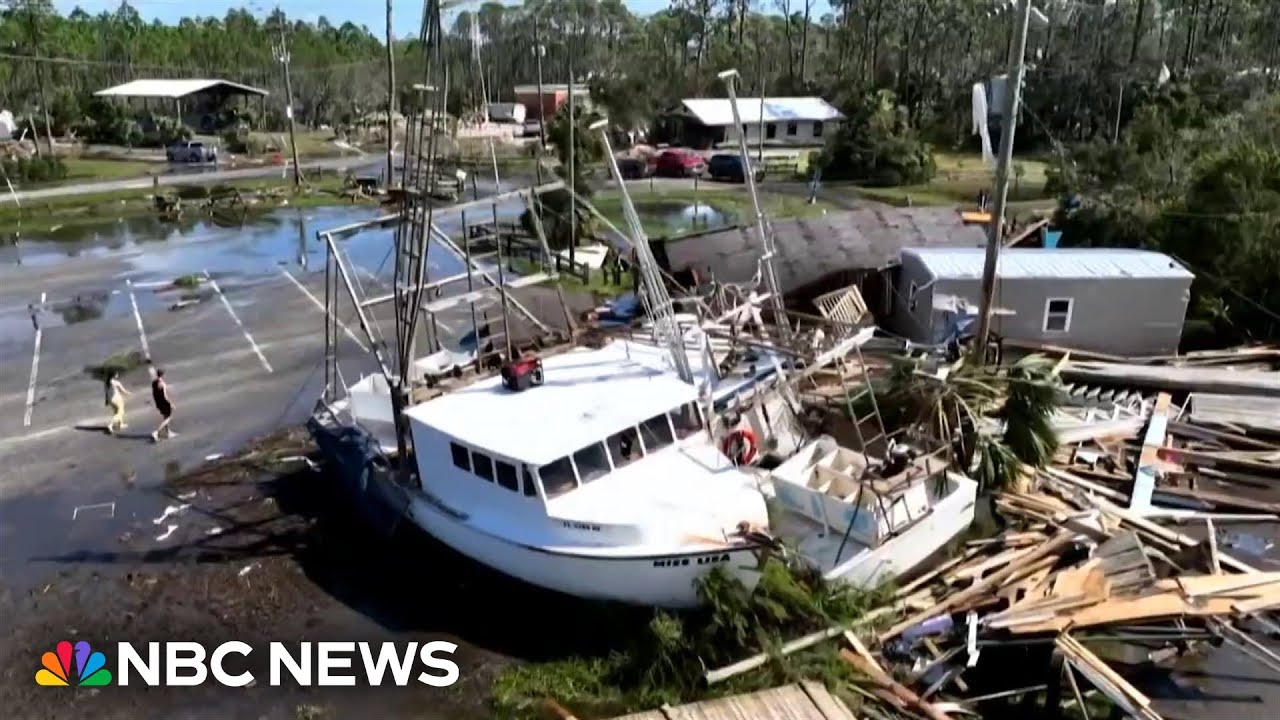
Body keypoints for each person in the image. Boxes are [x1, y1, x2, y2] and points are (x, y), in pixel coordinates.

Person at [150, 368, 175, 442]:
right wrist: (171, 404)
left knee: (165, 416)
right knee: (168, 418)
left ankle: (168, 433)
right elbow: (165, 396)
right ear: (163, 375)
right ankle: (156, 432)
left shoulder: (154, 382)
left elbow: (154, 393)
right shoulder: (162, 383)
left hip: (158, 402)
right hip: (164, 402)